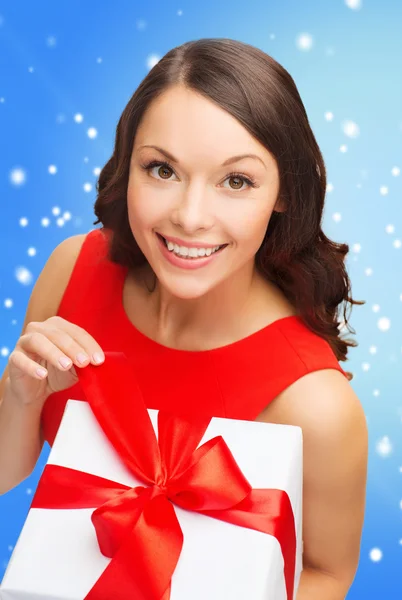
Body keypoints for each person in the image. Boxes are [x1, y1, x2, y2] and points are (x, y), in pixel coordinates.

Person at [0, 38, 368, 598]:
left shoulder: (313, 403)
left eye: (236, 181)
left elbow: (327, 573)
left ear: (285, 193)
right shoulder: (74, 267)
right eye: (162, 169)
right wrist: (19, 394)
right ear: (129, 165)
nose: (190, 217)